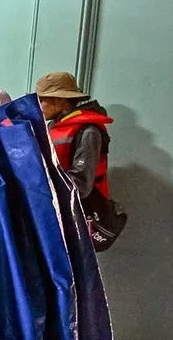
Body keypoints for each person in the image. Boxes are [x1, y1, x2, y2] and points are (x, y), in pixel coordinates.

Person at [36, 71, 126, 250]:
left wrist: (38, 185)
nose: (38, 106)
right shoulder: (55, 126)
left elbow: (81, 184)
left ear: (61, 101)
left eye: (42, 100)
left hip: (76, 216)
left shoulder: (88, 131)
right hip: (55, 213)